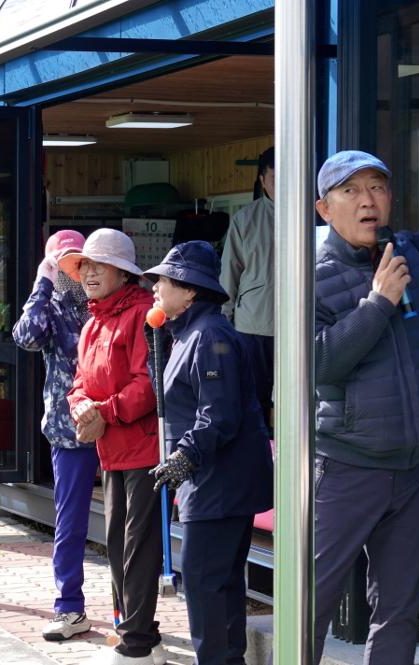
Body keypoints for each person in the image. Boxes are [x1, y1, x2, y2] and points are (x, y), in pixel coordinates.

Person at [311, 150, 419, 664]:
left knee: (398, 610)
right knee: (312, 604)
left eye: (377, 187)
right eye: (351, 191)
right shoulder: (311, 277)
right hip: (346, 469)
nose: (367, 201)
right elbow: (319, 364)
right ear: (324, 209)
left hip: (414, 468)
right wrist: (378, 303)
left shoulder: (414, 255)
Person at [144, 240, 273, 665]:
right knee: (221, 583)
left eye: (164, 280)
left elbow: (219, 414)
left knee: (204, 584)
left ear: (189, 290)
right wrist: (155, 344)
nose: (155, 287)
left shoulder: (210, 335)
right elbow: (174, 401)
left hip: (219, 482)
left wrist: (184, 456)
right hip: (210, 480)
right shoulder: (186, 334)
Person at [62, 228, 167, 665]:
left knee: (137, 545)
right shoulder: (91, 323)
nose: (89, 273)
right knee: (116, 542)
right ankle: (137, 632)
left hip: (144, 449)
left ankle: (136, 643)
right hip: (110, 448)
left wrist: (103, 411)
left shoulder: (144, 315)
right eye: (85, 265)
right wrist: (81, 408)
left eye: (99, 265)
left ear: (123, 273)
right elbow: (78, 384)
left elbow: (149, 385)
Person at [12, 229, 98, 641]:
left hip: (118, 423)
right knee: (71, 523)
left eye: (78, 261)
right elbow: (26, 336)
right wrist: (43, 282)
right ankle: (69, 607)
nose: (72, 270)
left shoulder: (103, 301)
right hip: (69, 431)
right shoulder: (51, 306)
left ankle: (130, 611)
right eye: (62, 262)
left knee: (128, 522)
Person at [219, 146, 275, 429]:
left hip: (305, 326)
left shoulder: (316, 214)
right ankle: (261, 449)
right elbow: (230, 272)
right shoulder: (245, 219)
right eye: (275, 179)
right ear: (262, 180)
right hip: (252, 325)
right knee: (254, 398)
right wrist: (224, 321)